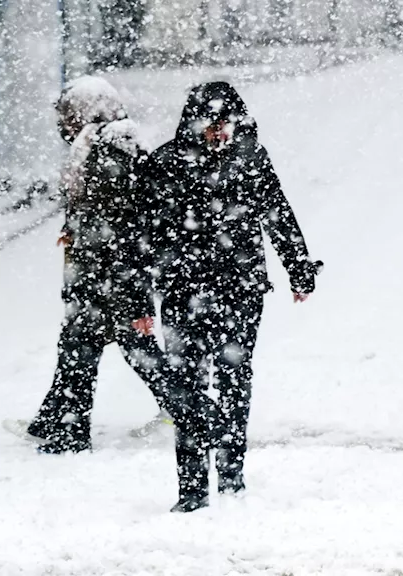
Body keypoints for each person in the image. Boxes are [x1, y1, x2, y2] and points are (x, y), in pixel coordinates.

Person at [146, 80, 321, 512]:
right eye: (209, 122)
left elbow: (277, 213)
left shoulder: (250, 159)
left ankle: (231, 477)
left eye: (224, 122)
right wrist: (143, 282)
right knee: (185, 382)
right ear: (193, 122)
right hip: (183, 292)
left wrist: (299, 269)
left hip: (240, 290)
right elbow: (142, 229)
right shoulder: (167, 163)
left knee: (234, 378)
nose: (217, 131)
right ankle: (191, 488)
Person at [10, 76, 183, 454]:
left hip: (105, 278)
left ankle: (69, 433)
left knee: (86, 350)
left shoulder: (109, 151)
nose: (63, 125)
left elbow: (122, 226)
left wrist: (132, 293)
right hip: (101, 275)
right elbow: (104, 215)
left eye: (68, 115)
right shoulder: (104, 145)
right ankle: (54, 424)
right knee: (89, 350)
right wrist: (73, 229)